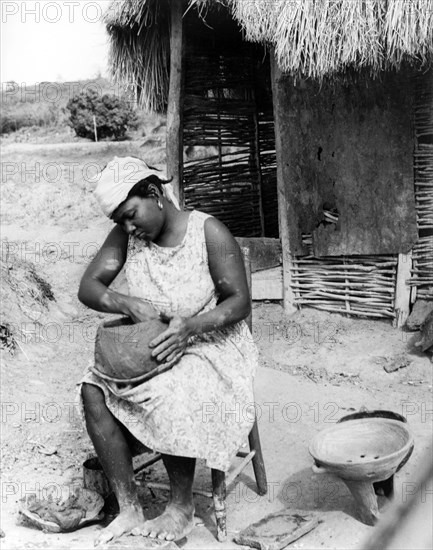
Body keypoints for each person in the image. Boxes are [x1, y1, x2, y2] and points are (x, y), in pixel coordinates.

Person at [77, 156, 258, 546]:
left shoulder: (208, 231)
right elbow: (88, 286)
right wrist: (124, 303)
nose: (127, 226)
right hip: (154, 342)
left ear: (155, 194)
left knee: (174, 382)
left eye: (130, 215)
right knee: (92, 388)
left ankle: (181, 507)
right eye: (120, 221)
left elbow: (240, 303)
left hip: (211, 343)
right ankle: (129, 507)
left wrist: (190, 327)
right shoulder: (128, 236)